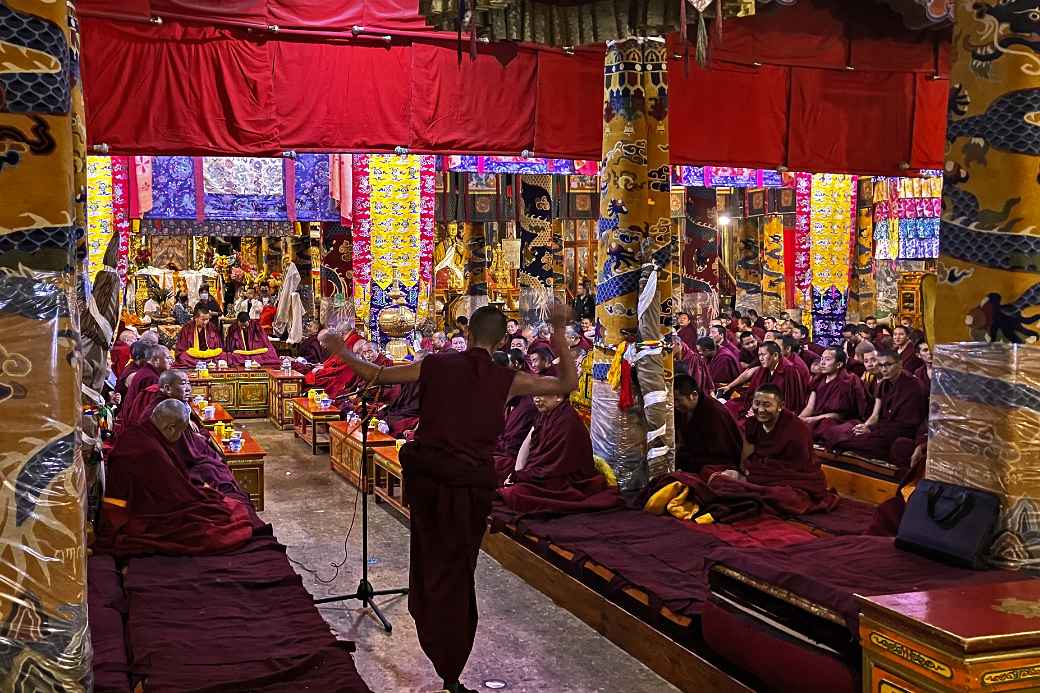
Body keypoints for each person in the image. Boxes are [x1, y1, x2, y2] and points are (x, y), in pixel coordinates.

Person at [319, 304, 578, 693]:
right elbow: (565, 385)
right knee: (458, 572)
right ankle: (452, 668)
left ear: (469, 334)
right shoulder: (506, 378)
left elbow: (375, 374)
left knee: (429, 562)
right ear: (500, 340)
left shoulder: (435, 365)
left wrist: (340, 348)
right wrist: (558, 330)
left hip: (431, 484)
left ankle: (432, 630)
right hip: (469, 489)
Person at [97, 399, 256, 557]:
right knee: (209, 526)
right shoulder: (151, 452)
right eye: (180, 432)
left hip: (119, 502)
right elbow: (174, 496)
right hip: (140, 513)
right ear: (170, 428)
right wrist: (196, 496)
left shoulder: (135, 433)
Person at [498, 393, 620, 514]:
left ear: (559, 397)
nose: (536, 398)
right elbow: (528, 443)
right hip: (542, 473)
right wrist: (517, 473)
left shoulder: (567, 421)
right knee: (496, 467)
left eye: (542, 394)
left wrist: (521, 477)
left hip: (567, 482)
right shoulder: (545, 414)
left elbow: (551, 469)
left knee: (515, 494)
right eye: (535, 394)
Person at [732, 384, 838, 512]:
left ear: (780, 406)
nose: (760, 409)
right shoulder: (753, 423)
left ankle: (752, 491)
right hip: (762, 473)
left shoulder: (798, 429)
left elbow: (800, 468)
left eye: (766, 405)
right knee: (724, 476)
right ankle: (753, 490)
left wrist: (754, 476)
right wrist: (744, 470)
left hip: (795, 481)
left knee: (784, 496)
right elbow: (747, 454)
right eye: (757, 403)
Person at [818, 349, 928, 464]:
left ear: (900, 363)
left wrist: (871, 429)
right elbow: (875, 415)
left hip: (896, 432)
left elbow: (907, 425)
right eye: (881, 365)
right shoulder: (883, 384)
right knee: (836, 432)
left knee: (850, 441)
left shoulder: (914, 387)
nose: (884, 369)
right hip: (879, 427)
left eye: (888, 365)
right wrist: (864, 426)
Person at [722, 341, 807, 423]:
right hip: (759, 405)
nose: (761, 358)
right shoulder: (764, 368)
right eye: (759, 355)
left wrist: (759, 411)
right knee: (729, 408)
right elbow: (753, 391)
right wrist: (753, 407)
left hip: (775, 411)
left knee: (744, 425)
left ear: (775, 355)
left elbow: (790, 402)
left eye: (763, 355)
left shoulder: (789, 370)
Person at [673, 373, 742, 473]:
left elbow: (721, 452)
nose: (675, 405)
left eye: (678, 400)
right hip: (694, 456)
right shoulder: (682, 410)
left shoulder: (713, 411)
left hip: (718, 460)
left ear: (694, 395)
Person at [799, 348, 869, 443]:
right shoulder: (818, 380)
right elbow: (810, 407)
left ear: (839, 364)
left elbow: (840, 415)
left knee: (829, 429)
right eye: (822, 359)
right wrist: (800, 419)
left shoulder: (848, 381)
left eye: (827, 359)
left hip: (841, 421)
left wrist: (812, 419)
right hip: (818, 419)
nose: (822, 363)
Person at [119, 344, 171, 424]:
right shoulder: (151, 378)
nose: (171, 361)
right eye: (168, 358)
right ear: (156, 361)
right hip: (136, 425)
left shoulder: (145, 372)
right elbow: (149, 410)